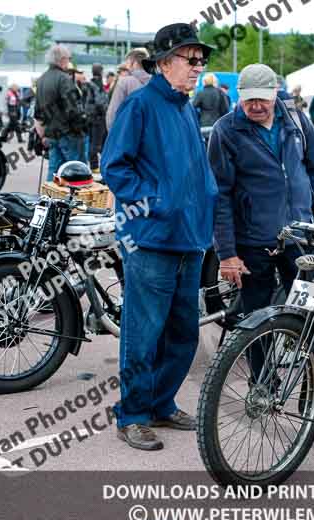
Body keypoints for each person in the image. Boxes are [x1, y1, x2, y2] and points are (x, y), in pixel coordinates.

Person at [101, 22, 217, 451]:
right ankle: (131, 414)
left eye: (201, 61)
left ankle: (161, 404)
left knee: (184, 333)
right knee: (143, 332)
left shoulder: (185, 107)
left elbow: (195, 171)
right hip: (150, 239)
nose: (197, 67)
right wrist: (155, 201)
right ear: (165, 62)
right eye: (191, 60)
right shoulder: (141, 105)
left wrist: (205, 202)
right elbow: (115, 167)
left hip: (188, 239)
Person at [208, 63, 314, 380]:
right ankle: (263, 381)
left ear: (274, 95)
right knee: (255, 316)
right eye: (248, 99)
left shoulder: (295, 120)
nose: (255, 105)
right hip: (253, 242)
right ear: (239, 96)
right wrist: (226, 253)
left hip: (300, 239)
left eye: (261, 99)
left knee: (309, 308)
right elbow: (219, 195)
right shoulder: (226, 131)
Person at [34, 45, 88, 182]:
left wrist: (43, 134)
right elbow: (73, 109)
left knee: (54, 171)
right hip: (68, 133)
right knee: (78, 171)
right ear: (63, 59)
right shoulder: (64, 79)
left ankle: (48, 200)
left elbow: (38, 112)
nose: (69, 61)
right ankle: (77, 202)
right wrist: (81, 127)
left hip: (51, 133)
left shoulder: (41, 80)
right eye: (68, 58)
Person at [106, 48, 151, 129]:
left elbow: (113, 115)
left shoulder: (124, 82)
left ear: (132, 62)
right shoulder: (156, 81)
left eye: (127, 63)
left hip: (129, 133)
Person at [85, 64, 109, 173]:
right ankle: (95, 166)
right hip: (98, 117)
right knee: (97, 143)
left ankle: (94, 165)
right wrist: (106, 109)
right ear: (100, 72)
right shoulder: (98, 84)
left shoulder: (88, 84)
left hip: (90, 117)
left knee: (92, 142)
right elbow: (100, 101)